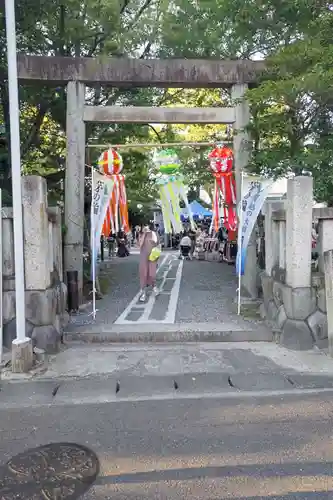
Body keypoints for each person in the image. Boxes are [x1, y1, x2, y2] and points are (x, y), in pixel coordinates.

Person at [139, 222, 160, 301]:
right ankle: (143, 293)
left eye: (146, 225)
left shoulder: (154, 234)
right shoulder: (141, 235)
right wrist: (144, 234)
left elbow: (158, 245)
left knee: (152, 274)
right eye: (144, 225)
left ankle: (154, 287)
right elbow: (140, 245)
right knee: (144, 275)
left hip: (152, 257)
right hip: (144, 258)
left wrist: (157, 255)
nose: (145, 227)